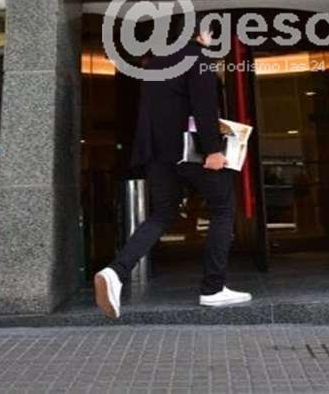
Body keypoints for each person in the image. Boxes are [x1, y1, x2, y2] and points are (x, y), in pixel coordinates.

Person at [94, 26, 252, 319]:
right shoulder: (199, 57)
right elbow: (204, 107)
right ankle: (213, 289)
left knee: (162, 214)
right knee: (223, 208)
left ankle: (115, 272)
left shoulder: (155, 62)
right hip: (189, 152)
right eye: (210, 32)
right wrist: (213, 149)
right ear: (200, 34)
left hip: (157, 153)